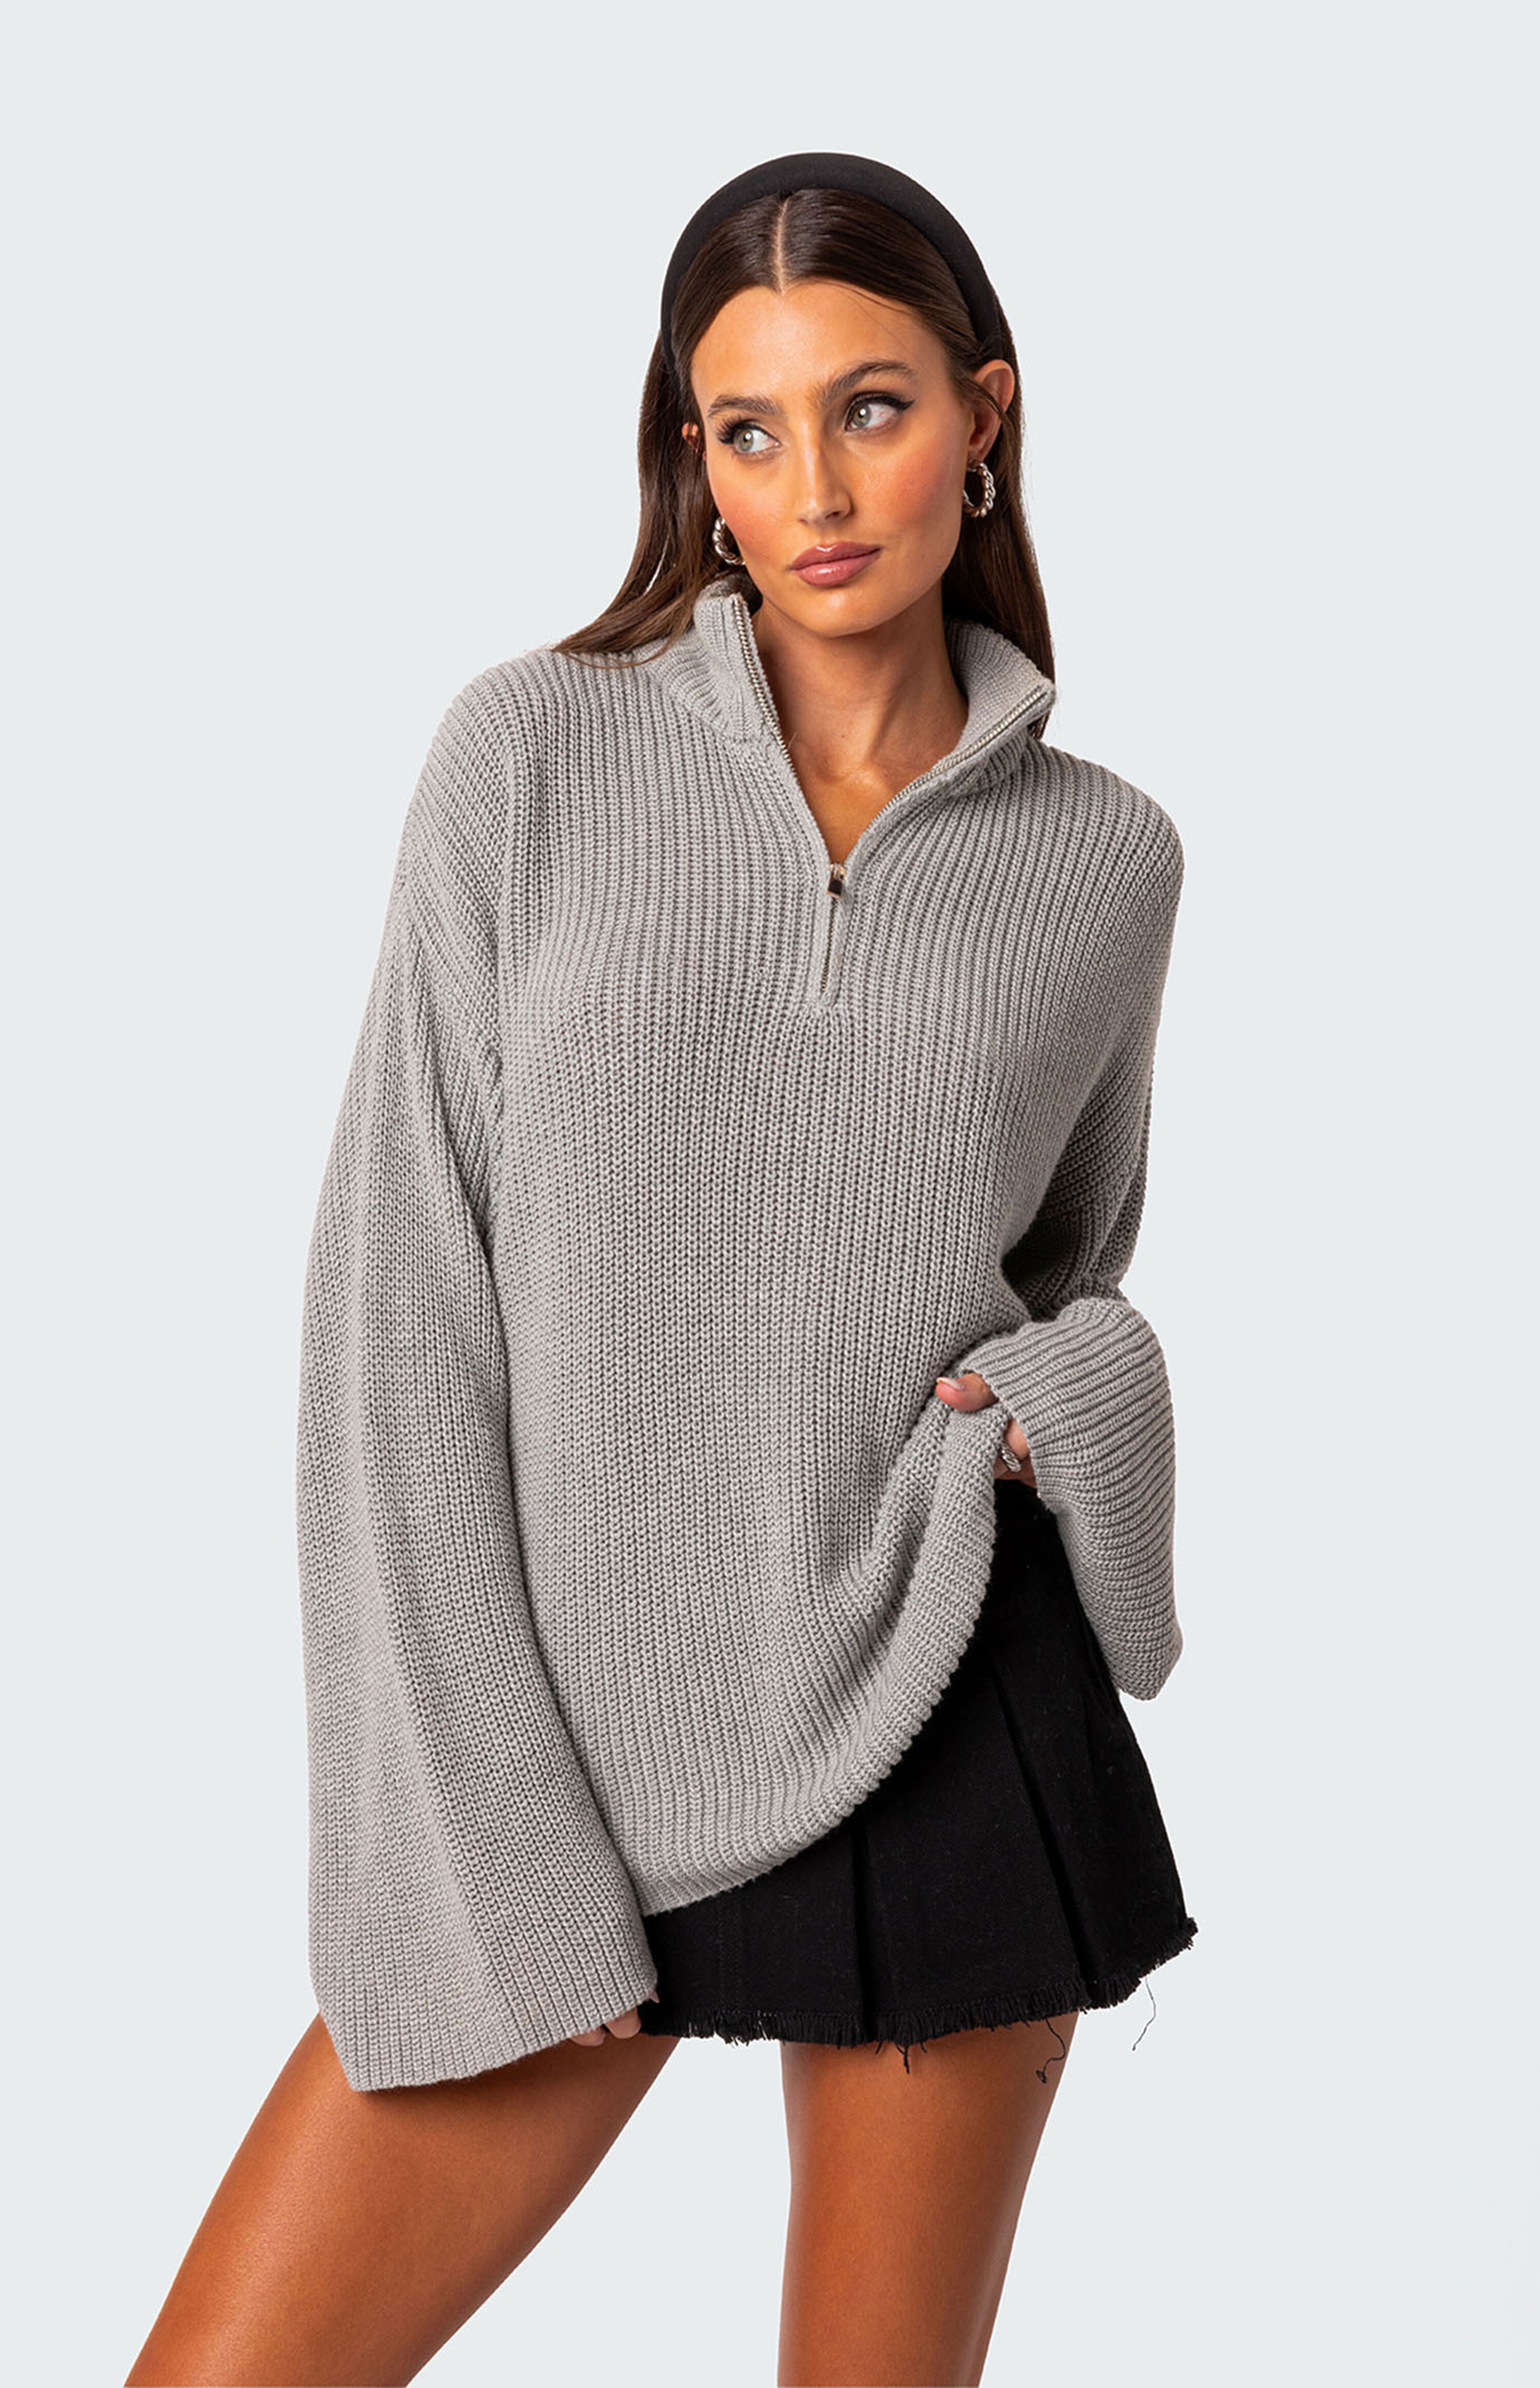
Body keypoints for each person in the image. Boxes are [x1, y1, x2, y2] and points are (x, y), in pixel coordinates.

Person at [126, 151, 1199, 2388]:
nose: (817, 488)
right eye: (749, 427)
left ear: (985, 416)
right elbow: (398, 1314)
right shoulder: (531, 752)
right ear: (694, 461)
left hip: (934, 1690)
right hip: (577, 1739)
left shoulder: (1106, 859)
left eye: (873, 407)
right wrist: (490, 1830)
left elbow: (1066, 1264)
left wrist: (1073, 1396)